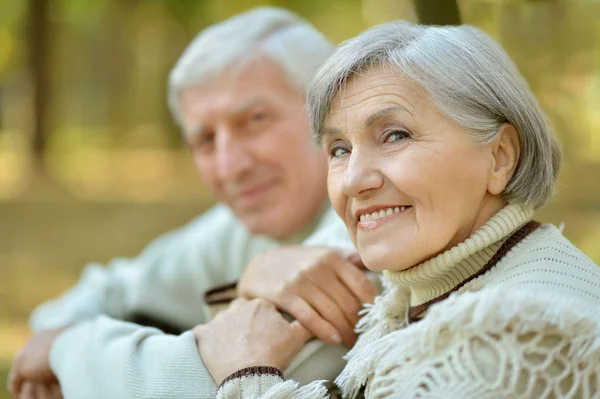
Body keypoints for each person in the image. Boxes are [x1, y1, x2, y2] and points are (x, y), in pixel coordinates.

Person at [198, 21, 600, 398]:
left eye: (394, 136)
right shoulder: (421, 287)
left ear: (499, 158)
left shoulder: (518, 330)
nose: (354, 180)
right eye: (339, 149)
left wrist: (248, 378)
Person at [7, 7, 380, 399]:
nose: (229, 166)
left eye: (255, 119)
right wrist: (54, 337)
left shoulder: (374, 222)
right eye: (204, 141)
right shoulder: (235, 231)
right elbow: (104, 292)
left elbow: (221, 382)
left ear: (329, 111)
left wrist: (64, 350)